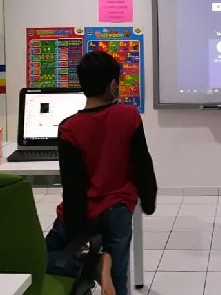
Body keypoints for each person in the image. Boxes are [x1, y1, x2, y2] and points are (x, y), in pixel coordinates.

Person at [45, 51, 157, 295]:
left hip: (83, 211)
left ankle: (91, 265)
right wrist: (149, 201)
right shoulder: (128, 116)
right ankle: (100, 267)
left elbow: (73, 186)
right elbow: (142, 163)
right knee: (118, 276)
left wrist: (77, 236)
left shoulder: (69, 128)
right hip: (118, 209)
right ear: (113, 85)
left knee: (44, 257)